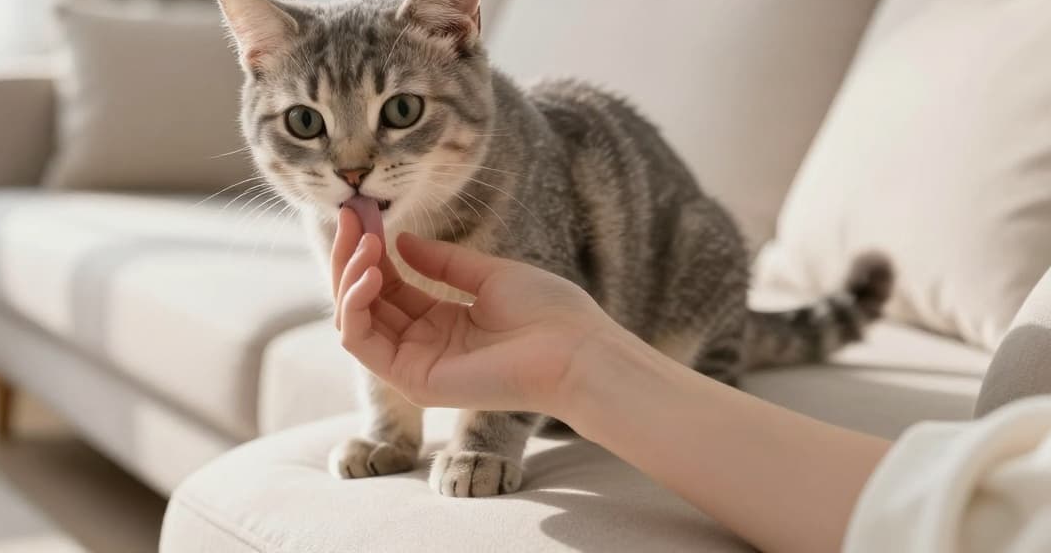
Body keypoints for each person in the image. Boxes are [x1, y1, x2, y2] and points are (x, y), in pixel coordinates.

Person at [330, 208, 1051, 553]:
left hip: (655, 302)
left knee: (698, 243)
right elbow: (962, 515)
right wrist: (576, 365)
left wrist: (572, 370)